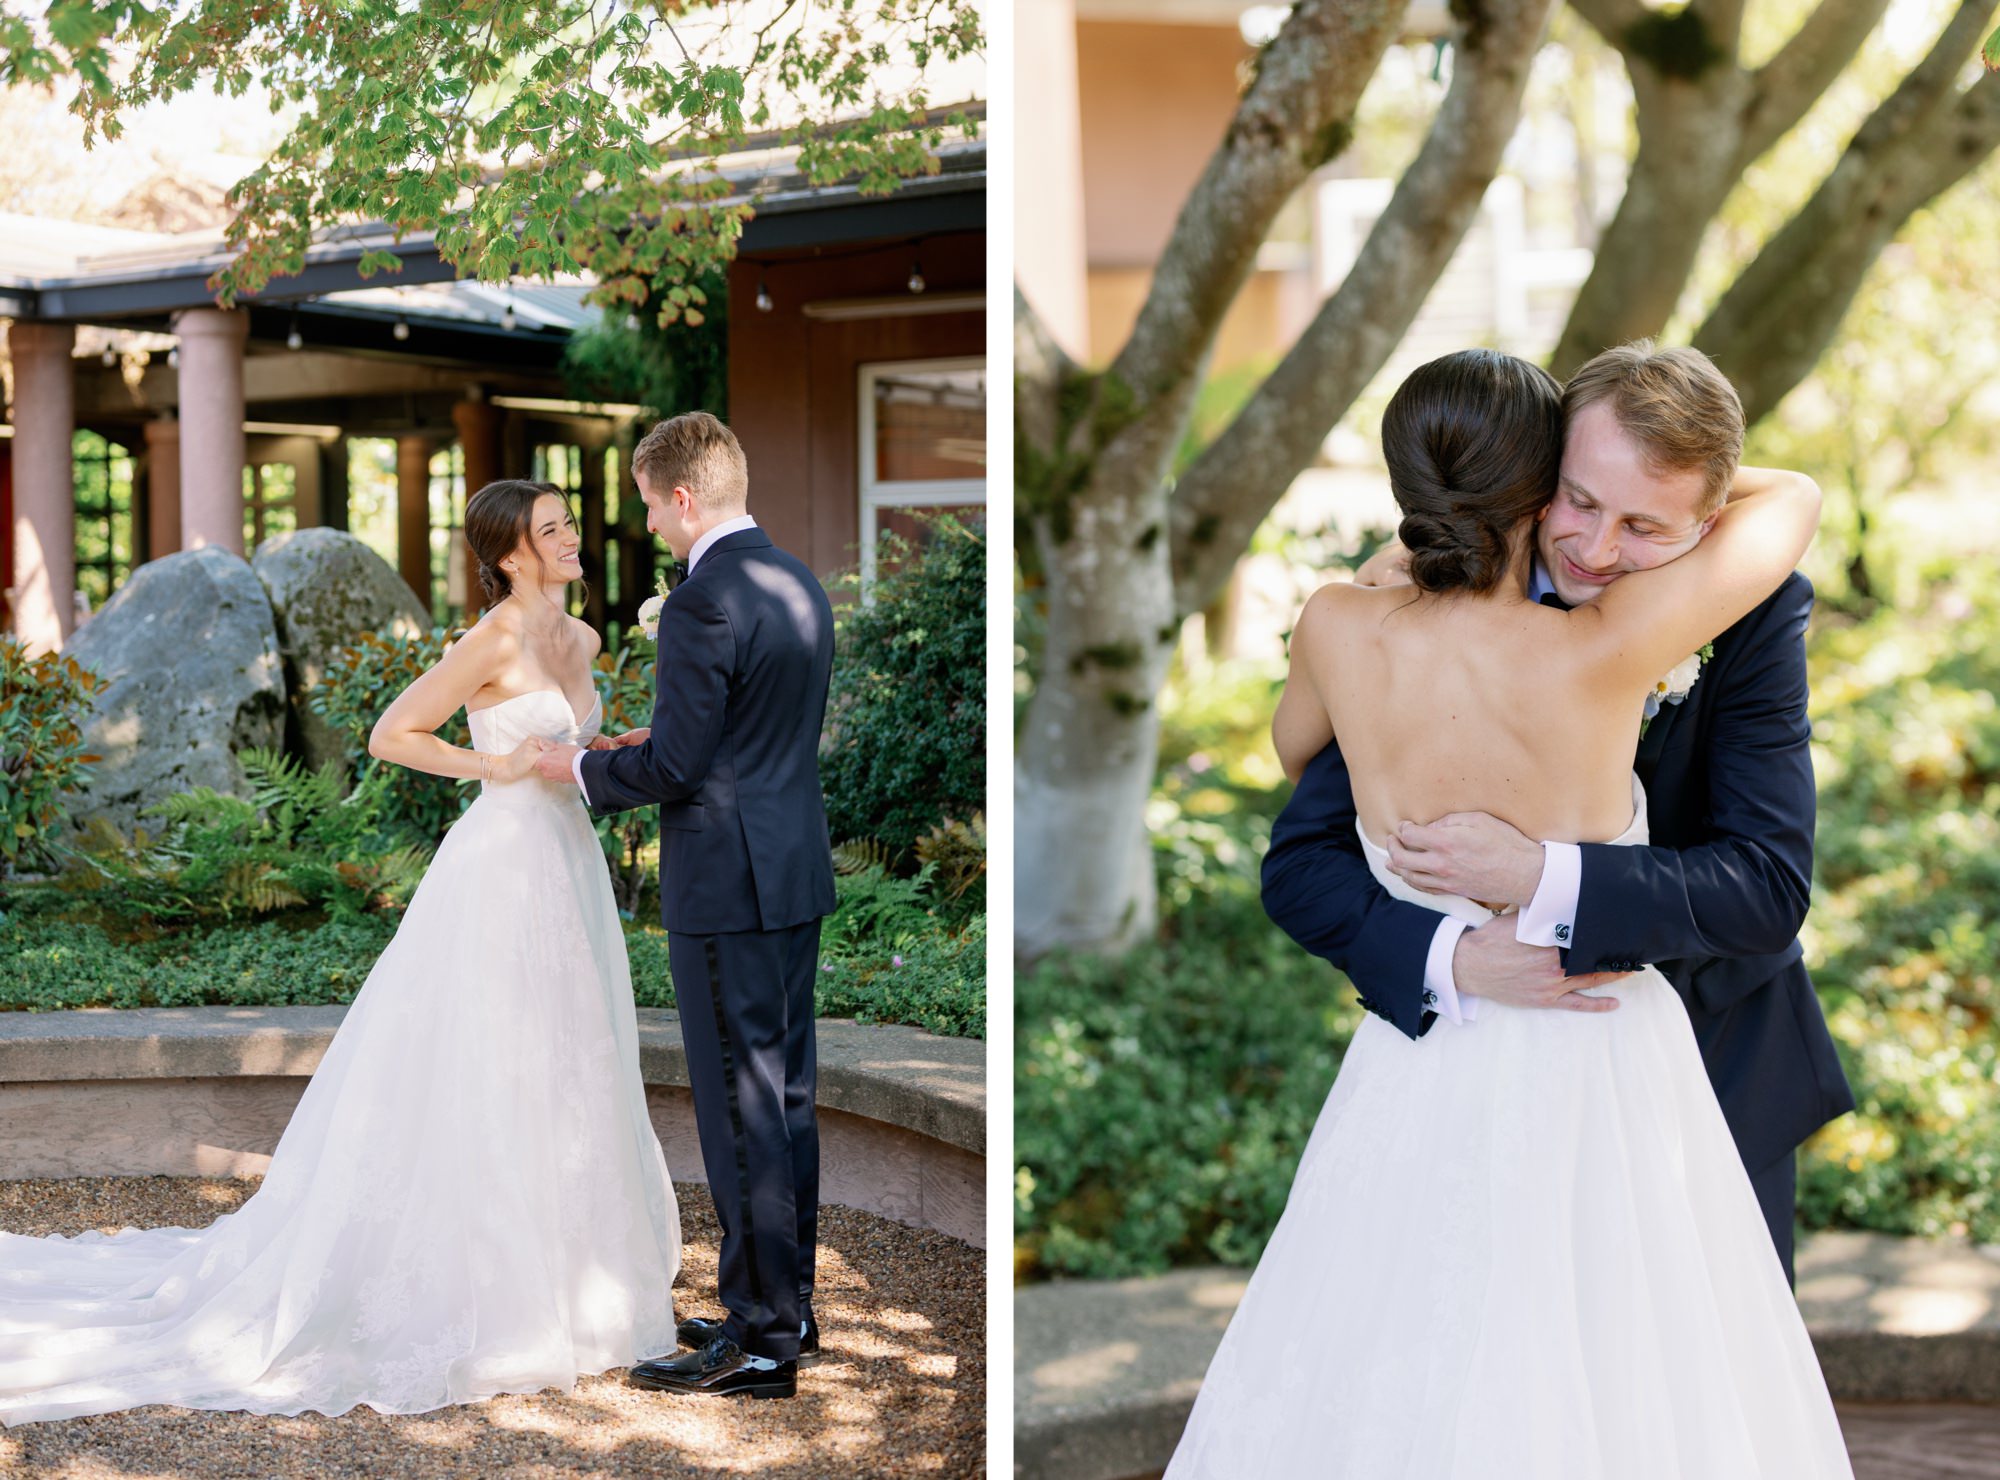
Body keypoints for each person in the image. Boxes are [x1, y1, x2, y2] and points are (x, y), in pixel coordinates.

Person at [1163, 349, 1852, 1477]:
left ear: (1709, 519)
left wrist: (1546, 877)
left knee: (1693, 1423)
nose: (1591, 547)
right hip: (1465, 1060)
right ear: (1534, 471)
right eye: (1576, 500)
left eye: (1645, 526)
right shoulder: (1421, 607)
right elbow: (1302, 864)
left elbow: (1766, 889)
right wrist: (1450, 954)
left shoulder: (1744, 603)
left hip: (1709, 1074)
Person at [0, 480, 681, 1426]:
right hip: (502, 865)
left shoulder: (585, 641)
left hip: (569, 866)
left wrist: (600, 745)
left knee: (570, 1058)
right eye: (552, 530)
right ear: (512, 555)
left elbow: (561, 742)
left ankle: (578, 1284)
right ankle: (491, 1290)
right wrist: (495, 764)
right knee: (490, 1061)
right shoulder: (490, 639)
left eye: (569, 524)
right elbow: (393, 734)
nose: (572, 539)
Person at [534, 411, 837, 1401]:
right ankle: (785, 1308)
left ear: (681, 495)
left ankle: (756, 1342)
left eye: (652, 511)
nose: (654, 532)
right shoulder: (794, 579)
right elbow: (739, 739)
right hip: (789, 871)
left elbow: (681, 764)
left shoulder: (703, 598)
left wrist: (573, 765)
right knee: (784, 1096)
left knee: (740, 1111)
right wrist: (644, 746)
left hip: (728, 885)